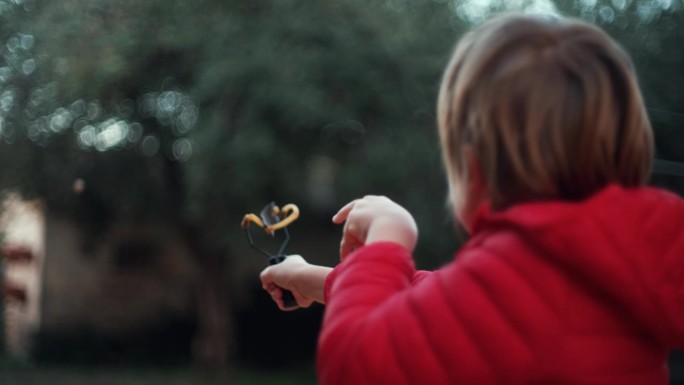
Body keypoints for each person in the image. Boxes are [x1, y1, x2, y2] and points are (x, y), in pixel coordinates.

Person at [259, 13, 684, 384]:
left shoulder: (515, 285)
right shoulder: (653, 251)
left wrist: (388, 239)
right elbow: (442, 304)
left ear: (473, 170)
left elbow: (352, 366)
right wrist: (309, 278)